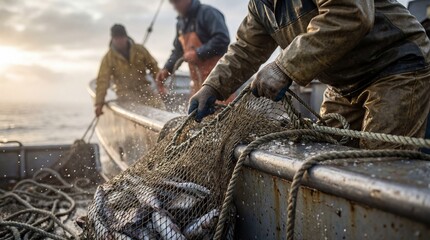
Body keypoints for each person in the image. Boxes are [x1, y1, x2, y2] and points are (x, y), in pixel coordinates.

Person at [189, 0, 430, 150]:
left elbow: (350, 13)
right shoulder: (260, 5)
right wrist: (212, 87)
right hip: (344, 85)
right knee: (327, 153)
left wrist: (284, 66)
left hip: (396, 67)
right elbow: (245, 49)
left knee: (379, 165)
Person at [156, 0, 230, 97]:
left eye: (176, 2)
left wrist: (198, 53)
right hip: (197, 85)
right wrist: (167, 68)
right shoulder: (180, 23)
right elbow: (178, 51)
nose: (175, 7)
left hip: (217, 84)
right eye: (172, 3)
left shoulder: (208, 13)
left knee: (221, 110)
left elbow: (222, 38)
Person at [95, 24, 165, 117]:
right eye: (116, 38)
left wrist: (161, 85)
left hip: (144, 91)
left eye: (122, 37)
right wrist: (99, 103)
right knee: (134, 111)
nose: (120, 40)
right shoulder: (108, 58)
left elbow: (154, 68)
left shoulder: (140, 50)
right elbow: (102, 81)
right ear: (112, 39)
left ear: (126, 37)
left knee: (160, 106)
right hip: (125, 96)